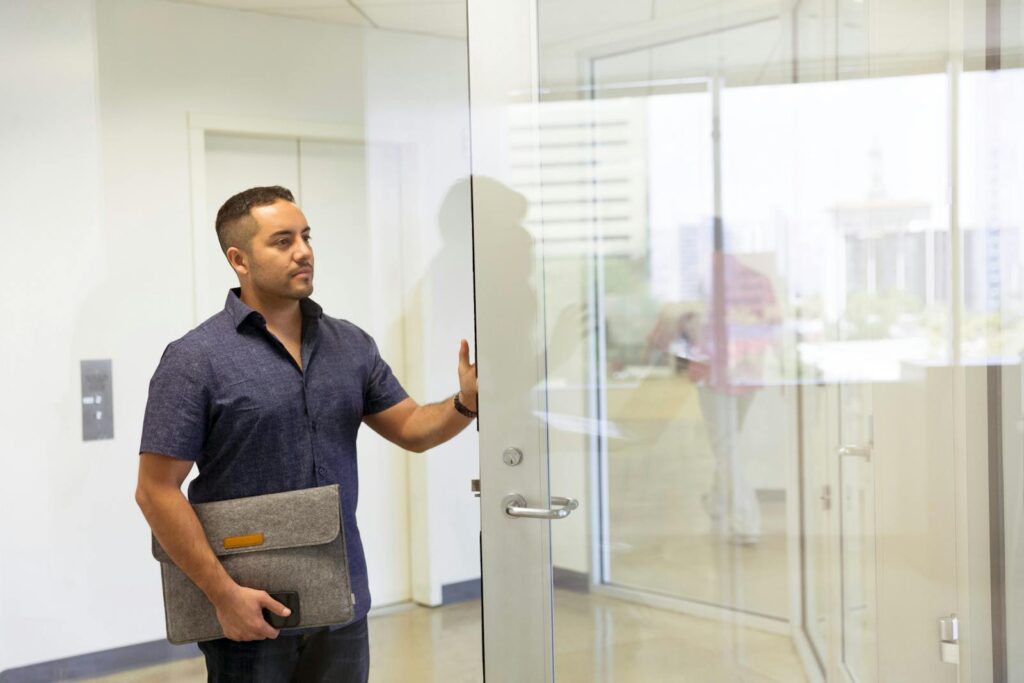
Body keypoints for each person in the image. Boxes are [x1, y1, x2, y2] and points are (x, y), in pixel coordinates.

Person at [134, 186, 478, 682]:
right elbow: (155, 491)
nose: (303, 251)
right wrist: (223, 596)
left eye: (306, 236)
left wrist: (464, 402)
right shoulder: (194, 359)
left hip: (342, 600)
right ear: (239, 259)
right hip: (248, 608)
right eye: (281, 241)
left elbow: (411, 428)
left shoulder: (350, 344)